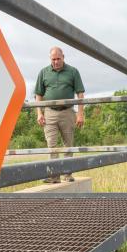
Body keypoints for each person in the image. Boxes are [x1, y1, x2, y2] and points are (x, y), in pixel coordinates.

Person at [34, 46, 85, 182]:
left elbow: (80, 93)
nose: (56, 62)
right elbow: (38, 95)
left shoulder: (73, 71)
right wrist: (39, 113)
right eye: (53, 59)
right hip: (49, 112)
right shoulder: (43, 72)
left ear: (63, 57)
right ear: (50, 59)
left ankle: (67, 174)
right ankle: (54, 176)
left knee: (68, 144)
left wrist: (80, 114)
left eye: (58, 59)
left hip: (67, 112)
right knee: (52, 145)